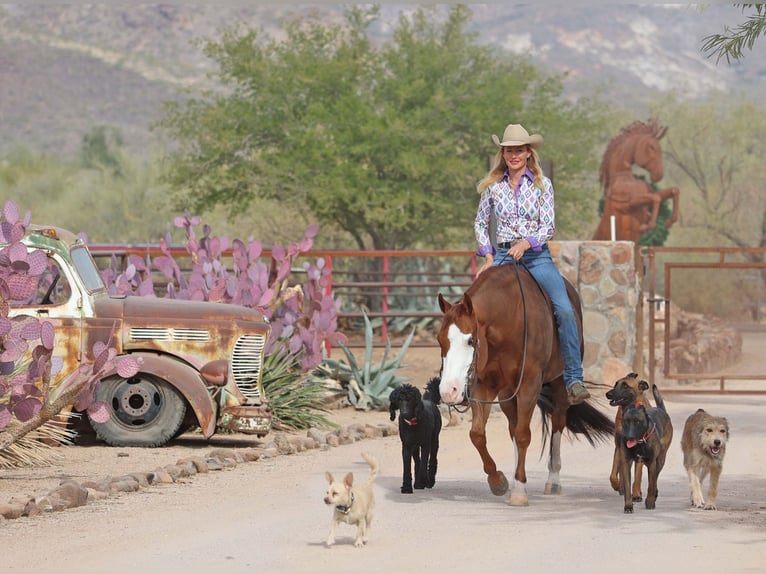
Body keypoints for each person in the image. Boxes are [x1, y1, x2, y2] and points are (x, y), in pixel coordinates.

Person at [473, 123, 590, 405]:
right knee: (471, 310)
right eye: (509, 150)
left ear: (528, 153)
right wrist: (487, 255)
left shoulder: (542, 185)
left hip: (536, 256)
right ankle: (471, 376)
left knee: (563, 309)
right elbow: (480, 222)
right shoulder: (492, 188)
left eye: (519, 150)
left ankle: (573, 378)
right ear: (503, 153)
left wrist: (526, 244)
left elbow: (548, 226)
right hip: (501, 255)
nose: (514, 155)